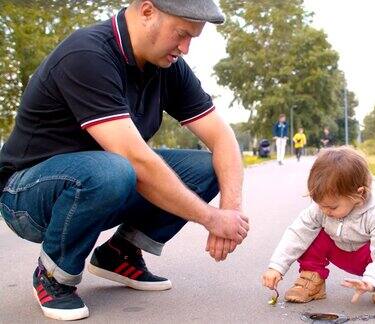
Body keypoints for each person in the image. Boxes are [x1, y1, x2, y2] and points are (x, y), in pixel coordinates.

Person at [0, 0, 250, 320]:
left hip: (100, 180)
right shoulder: (87, 55)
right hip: (26, 195)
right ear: (147, 12)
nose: (185, 48)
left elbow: (222, 138)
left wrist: (231, 209)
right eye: (181, 34)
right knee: (116, 168)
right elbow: (134, 159)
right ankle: (54, 276)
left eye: (193, 39)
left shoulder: (168, 67)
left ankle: (120, 254)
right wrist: (211, 219)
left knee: (204, 167)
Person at [261, 147, 375, 305]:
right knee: (310, 234)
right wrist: (276, 266)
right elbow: (297, 233)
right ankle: (312, 278)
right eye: (320, 205)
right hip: (340, 252)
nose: (325, 211)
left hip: (369, 257)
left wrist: (372, 280)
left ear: (359, 194)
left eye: (332, 207)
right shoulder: (320, 209)